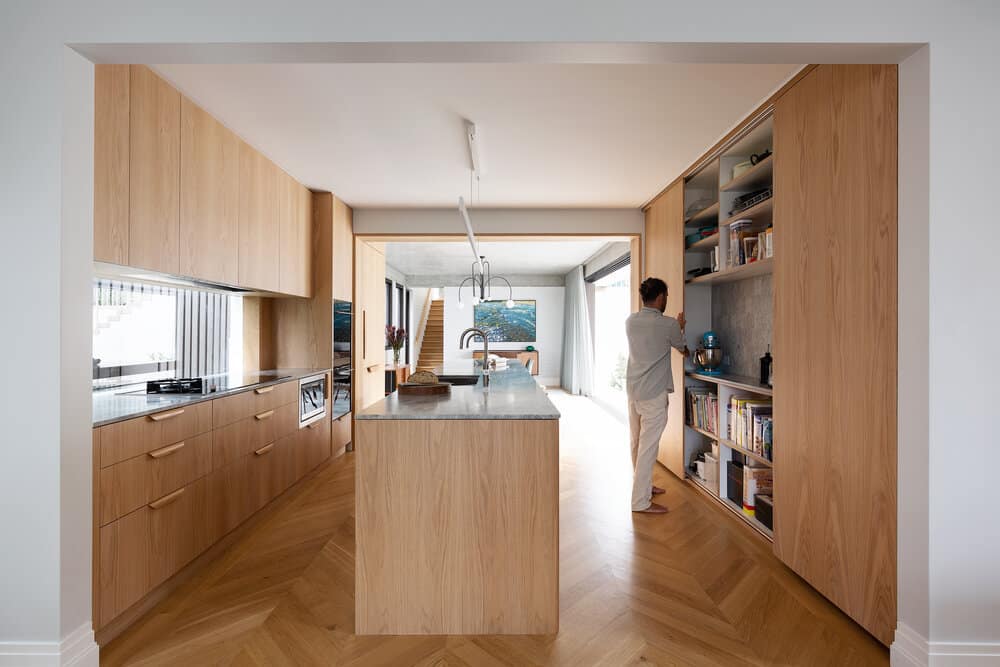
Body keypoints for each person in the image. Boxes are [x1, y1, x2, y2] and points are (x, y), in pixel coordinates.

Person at [625, 277, 688, 514]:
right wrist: (680, 327)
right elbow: (683, 350)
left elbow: (650, 343)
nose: (666, 301)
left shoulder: (630, 321)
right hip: (653, 395)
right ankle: (640, 502)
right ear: (660, 297)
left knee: (637, 442)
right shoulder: (668, 324)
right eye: (666, 297)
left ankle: (645, 487)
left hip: (634, 391)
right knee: (648, 448)